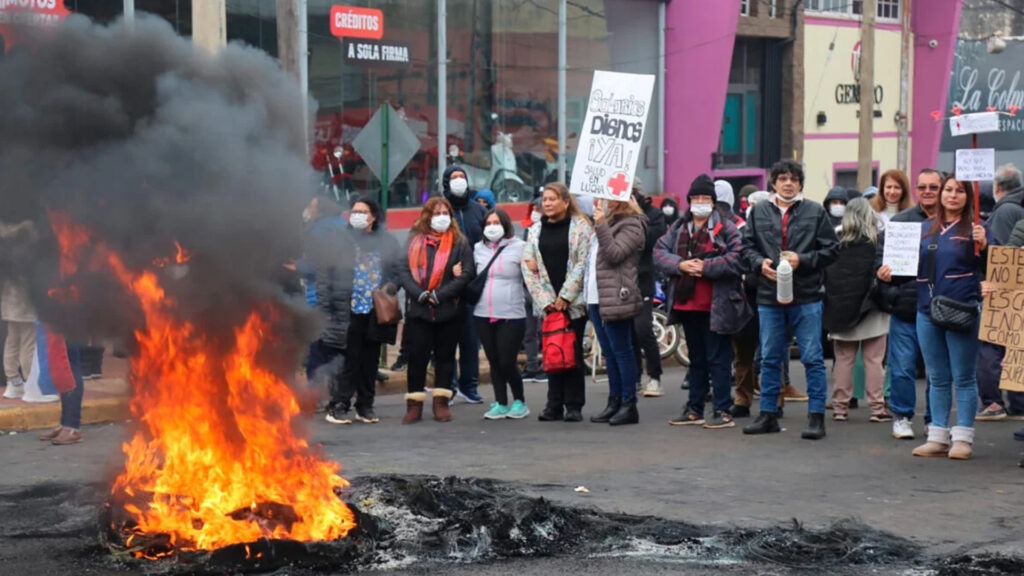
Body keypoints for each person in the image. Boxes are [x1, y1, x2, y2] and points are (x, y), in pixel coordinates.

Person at [741, 159, 838, 439]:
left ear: (800, 184)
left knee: (812, 357)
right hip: (769, 294)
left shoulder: (815, 211)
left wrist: (802, 259)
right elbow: (746, 247)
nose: (787, 183)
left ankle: (816, 417)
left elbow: (832, 249)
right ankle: (768, 414)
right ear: (773, 183)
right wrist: (759, 263)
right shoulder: (759, 211)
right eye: (782, 178)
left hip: (806, 295)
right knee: (770, 357)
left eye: (793, 179)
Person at [656, 174, 748, 429]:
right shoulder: (678, 228)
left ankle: (722, 409)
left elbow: (738, 258)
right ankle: (694, 408)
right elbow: (659, 253)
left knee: (718, 358)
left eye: (705, 198)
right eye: (695, 197)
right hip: (686, 304)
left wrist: (706, 267)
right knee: (696, 359)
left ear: (713, 201)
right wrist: (681, 265)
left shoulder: (726, 227)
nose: (700, 202)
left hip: (717, 305)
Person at [911, 174, 990, 460]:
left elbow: (994, 267)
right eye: (948, 189)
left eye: (959, 190)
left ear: (968, 196)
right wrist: (888, 274)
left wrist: (985, 246)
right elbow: (908, 268)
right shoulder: (924, 228)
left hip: (962, 310)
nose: (952, 195)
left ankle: (963, 438)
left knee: (964, 377)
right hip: (926, 309)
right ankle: (937, 437)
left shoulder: (977, 229)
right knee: (937, 376)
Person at [876, 168, 942, 439]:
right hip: (906, 307)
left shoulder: (951, 222)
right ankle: (901, 416)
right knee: (902, 367)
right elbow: (880, 259)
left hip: (939, 308)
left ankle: (934, 419)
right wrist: (886, 282)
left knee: (936, 370)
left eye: (933, 187)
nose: (928, 192)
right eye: (923, 187)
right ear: (915, 189)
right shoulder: (900, 222)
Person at [326, 197, 402, 425]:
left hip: (375, 311)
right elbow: (329, 272)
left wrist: (391, 286)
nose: (357, 215)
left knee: (370, 361)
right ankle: (339, 405)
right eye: (354, 211)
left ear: (373, 216)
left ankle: (365, 405)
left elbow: (398, 269)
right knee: (349, 360)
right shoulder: (341, 240)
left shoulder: (386, 241)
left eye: (363, 211)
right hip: (349, 309)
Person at [522, 182, 592, 422]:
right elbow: (528, 267)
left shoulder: (581, 227)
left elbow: (582, 264)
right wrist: (546, 301)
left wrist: (565, 297)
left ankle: (573, 405)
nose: (548, 203)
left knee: (572, 353)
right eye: (545, 199)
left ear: (565, 201)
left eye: (553, 199)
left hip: (572, 304)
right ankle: (553, 404)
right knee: (552, 352)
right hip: (548, 306)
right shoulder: (535, 230)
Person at [823, 198, 891, 422]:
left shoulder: (835, 241)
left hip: (841, 308)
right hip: (873, 307)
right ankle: (877, 408)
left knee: (843, 359)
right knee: (874, 360)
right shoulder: (878, 241)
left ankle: (840, 407)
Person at [587, 196, 646, 425]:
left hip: (615, 295)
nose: (602, 201)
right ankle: (614, 400)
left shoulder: (632, 224)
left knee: (622, 351)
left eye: (607, 198)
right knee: (609, 352)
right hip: (597, 295)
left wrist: (601, 224)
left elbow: (614, 254)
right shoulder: (606, 223)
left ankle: (628, 403)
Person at [300, 197, 355, 420]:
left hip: (320, 299)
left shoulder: (319, 231)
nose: (308, 210)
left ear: (319, 210)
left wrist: (297, 266)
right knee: (337, 348)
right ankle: (336, 396)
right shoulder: (343, 226)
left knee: (317, 350)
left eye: (311, 207)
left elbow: (315, 267)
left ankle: (315, 397)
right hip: (341, 299)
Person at [976, 164, 1024, 421]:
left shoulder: (1004, 211)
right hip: (1014, 291)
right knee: (1015, 345)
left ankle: (994, 402)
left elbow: (1002, 255)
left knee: (992, 346)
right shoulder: (1017, 210)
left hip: (1005, 292)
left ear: (997, 187)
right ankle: (1017, 402)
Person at [474, 208, 530, 420]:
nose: (492, 227)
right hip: (483, 313)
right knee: (494, 360)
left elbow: (532, 277)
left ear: (505, 225)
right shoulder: (478, 248)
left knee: (507, 360)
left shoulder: (520, 247)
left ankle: (519, 401)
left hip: (511, 313)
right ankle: (501, 402)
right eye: (488, 223)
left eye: (496, 223)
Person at [442, 165, 487, 404]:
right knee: (447, 340)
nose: (459, 181)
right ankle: (447, 387)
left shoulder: (479, 211)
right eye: (454, 177)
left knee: (471, 340)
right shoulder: (440, 211)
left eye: (462, 177)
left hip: (472, 286)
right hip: (446, 287)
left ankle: (469, 386)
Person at [632, 180, 667, 397]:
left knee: (642, 328)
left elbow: (652, 239)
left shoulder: (654, 214)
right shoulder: (616, 214)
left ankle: (655, 376)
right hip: (622, 280)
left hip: (644, 278)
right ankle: (633, 377)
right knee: (627, 332)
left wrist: (636, 214)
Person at [1, 220, 37, 400]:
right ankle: (30, 382)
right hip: (25, 303)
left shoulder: (6, 250)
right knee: (28, 342)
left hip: (8, 302)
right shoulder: (26, 252)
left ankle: (13, 381)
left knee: (12, 340)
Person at [519, 198, 547, 383]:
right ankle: (532, 366)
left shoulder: (548, 231)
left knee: (544, 329)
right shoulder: (528, 230)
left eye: (539, 209)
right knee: (529, 331)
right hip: (527, 286)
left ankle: (548, 365)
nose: (535, 212)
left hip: (543, 288)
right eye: (534, 208)